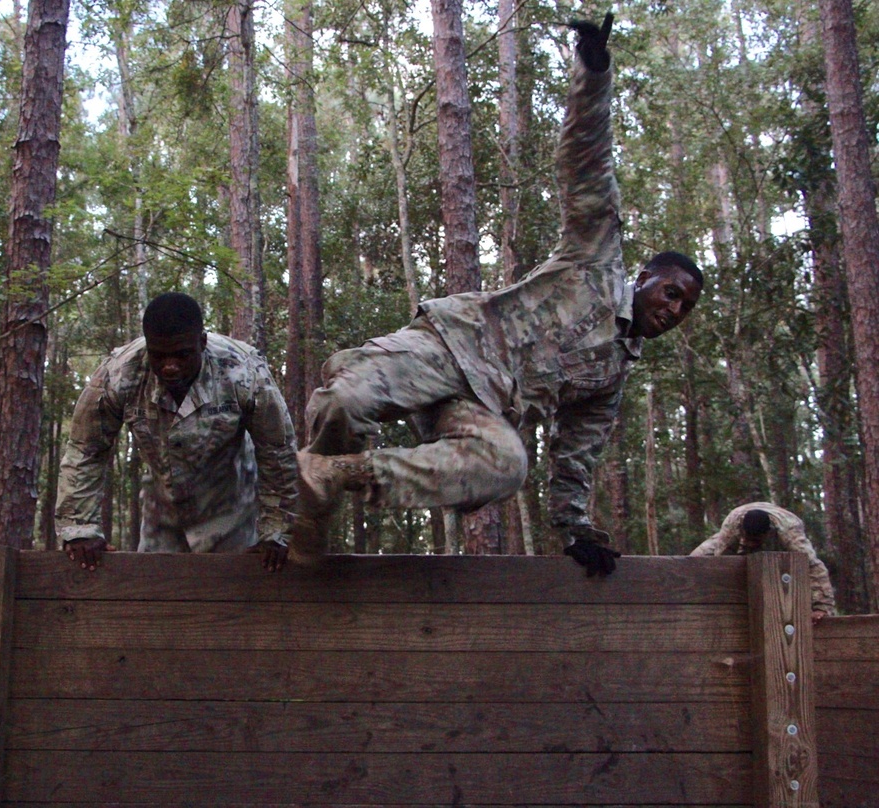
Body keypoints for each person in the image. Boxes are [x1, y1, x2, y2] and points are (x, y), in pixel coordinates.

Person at [294, 12, 703, 577]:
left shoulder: (611, 376)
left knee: (508, 463)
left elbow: (576, 455)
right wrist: (595, 72)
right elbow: (588, 162)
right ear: (646, 278)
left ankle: (336, 475)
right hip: (453, 345)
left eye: (684, 308)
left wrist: (575, 527)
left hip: (480, 405)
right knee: (346, 403)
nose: (674, 309)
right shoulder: (598, 259)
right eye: (672, 292)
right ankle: (299, 505)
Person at [55, 292, 298, 572]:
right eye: (159, 356)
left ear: (202, 343)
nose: (170, 367)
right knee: (158, 601)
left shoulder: (244, 372)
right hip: (163, 511)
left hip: (234, 508)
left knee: (233, 604)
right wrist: (80, 528)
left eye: (182, 355)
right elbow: (85, 449)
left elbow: (278, 451)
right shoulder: (119, 374)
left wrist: (278, 532)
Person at [690, 503, 837, 623]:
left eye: (755, 540)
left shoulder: (790, 530)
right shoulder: (732, 524)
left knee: (804, 563)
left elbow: (813, 566)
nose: (751, 543)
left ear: (766, 534)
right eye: (749, 539)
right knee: (695, 559)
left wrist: (821, 607)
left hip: (781, 524)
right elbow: (719, 560)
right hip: (739, 520)